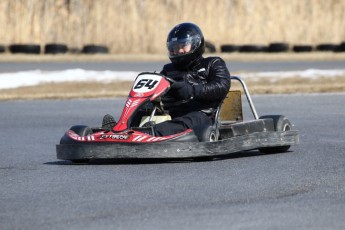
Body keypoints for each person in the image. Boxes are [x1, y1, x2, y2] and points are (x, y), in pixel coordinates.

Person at [102, 22, 231, 137]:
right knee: (142, 110)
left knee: (182, 123)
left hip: (202, 114)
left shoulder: (212, 63)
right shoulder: (168, 69)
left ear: (196, 44)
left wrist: (192, 90)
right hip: (171, 112)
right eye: (174, 48)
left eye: (182, 46)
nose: (178, 51)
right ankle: (118, 130)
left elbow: (222, 85)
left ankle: (148, 133)